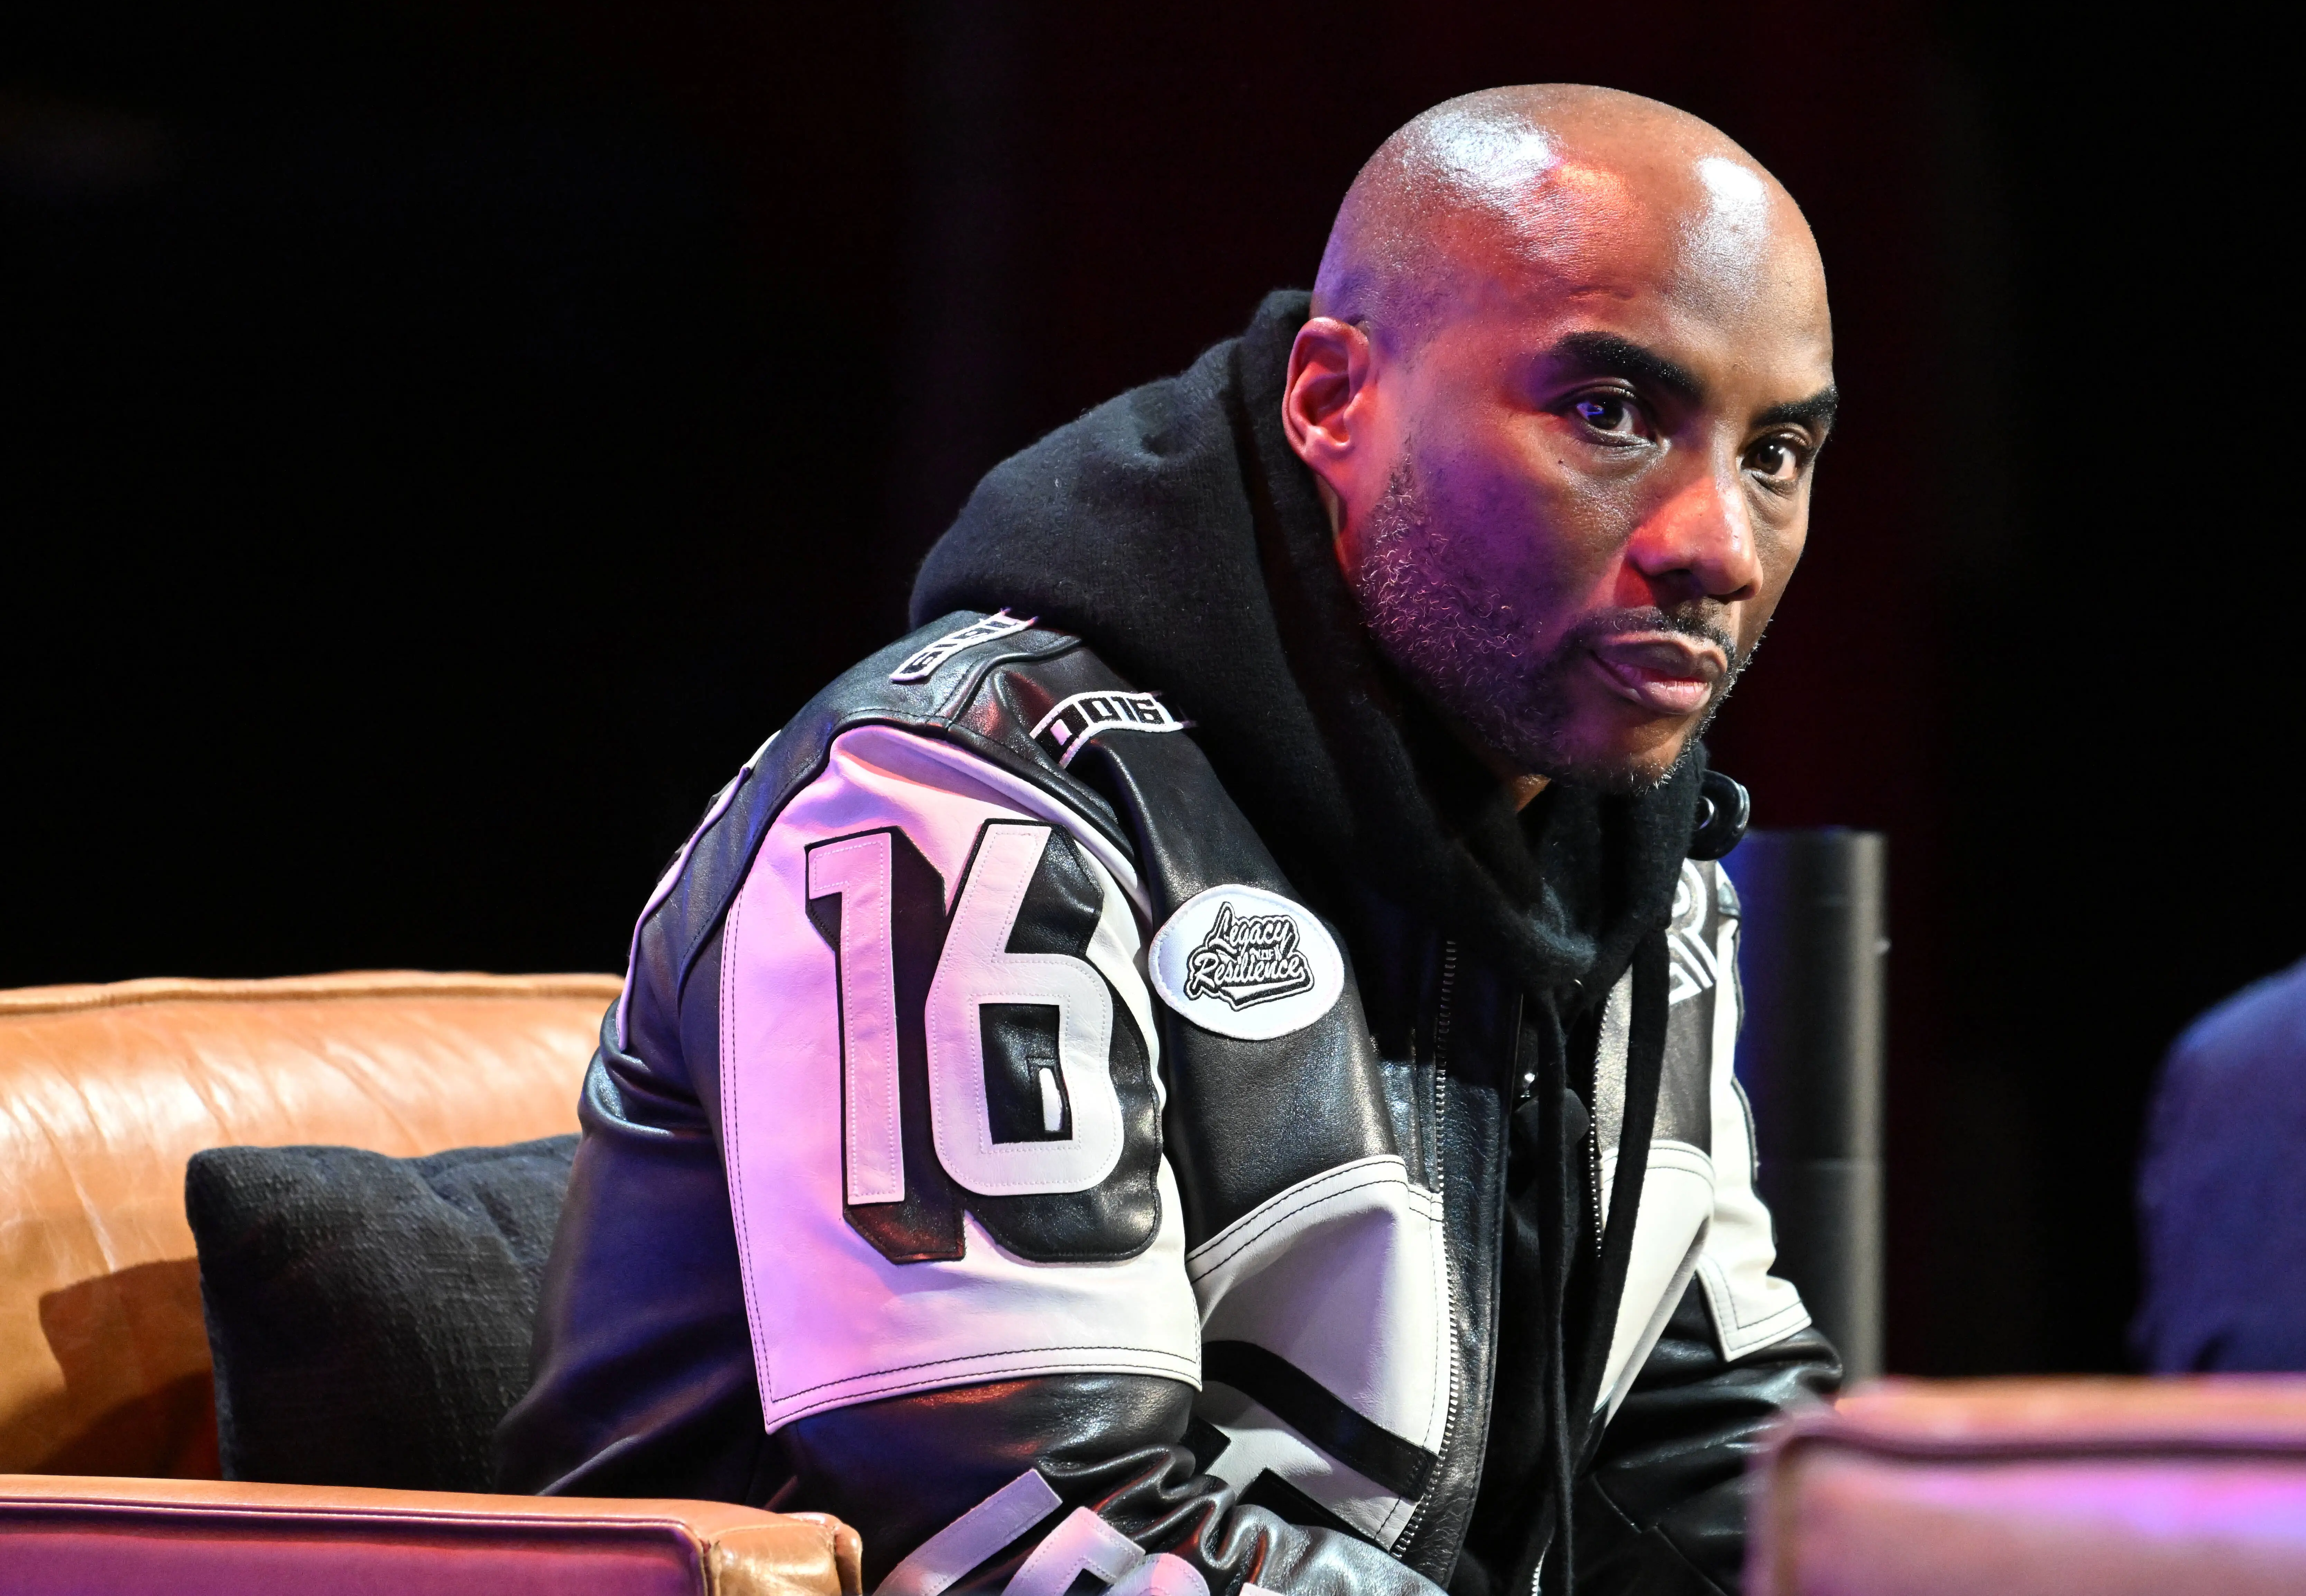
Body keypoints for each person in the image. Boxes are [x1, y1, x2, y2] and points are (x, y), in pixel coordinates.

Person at [497, 84, 1845, 1596]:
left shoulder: (1623, 850)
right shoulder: (962, 810)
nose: (1718, 543)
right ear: (1336, 401)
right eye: (1610, 413)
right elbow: (1029, 1525)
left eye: (1777, 451)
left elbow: (1695, 1436)